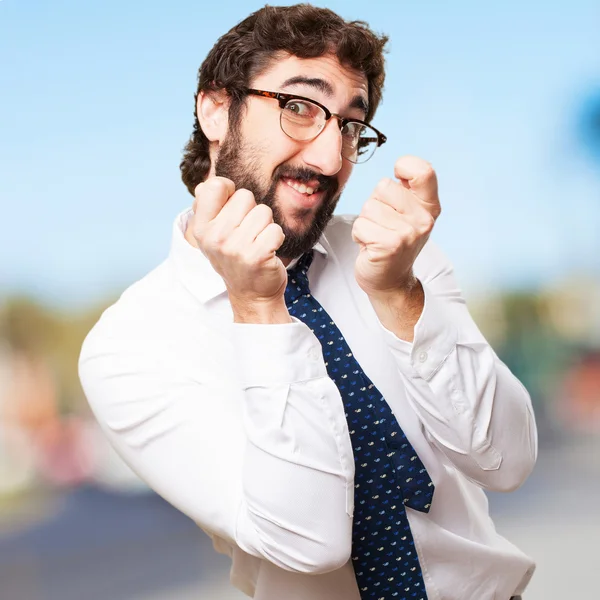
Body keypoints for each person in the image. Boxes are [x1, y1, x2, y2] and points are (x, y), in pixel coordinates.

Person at [78, 5, 537, 600]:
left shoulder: (394, 254)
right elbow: (309, 544)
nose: (328, 158)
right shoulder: (128, 348)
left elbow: (507, 462)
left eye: (350, 126)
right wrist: (260, 310)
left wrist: (401, 295)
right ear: (215, 109)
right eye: (299, 107)